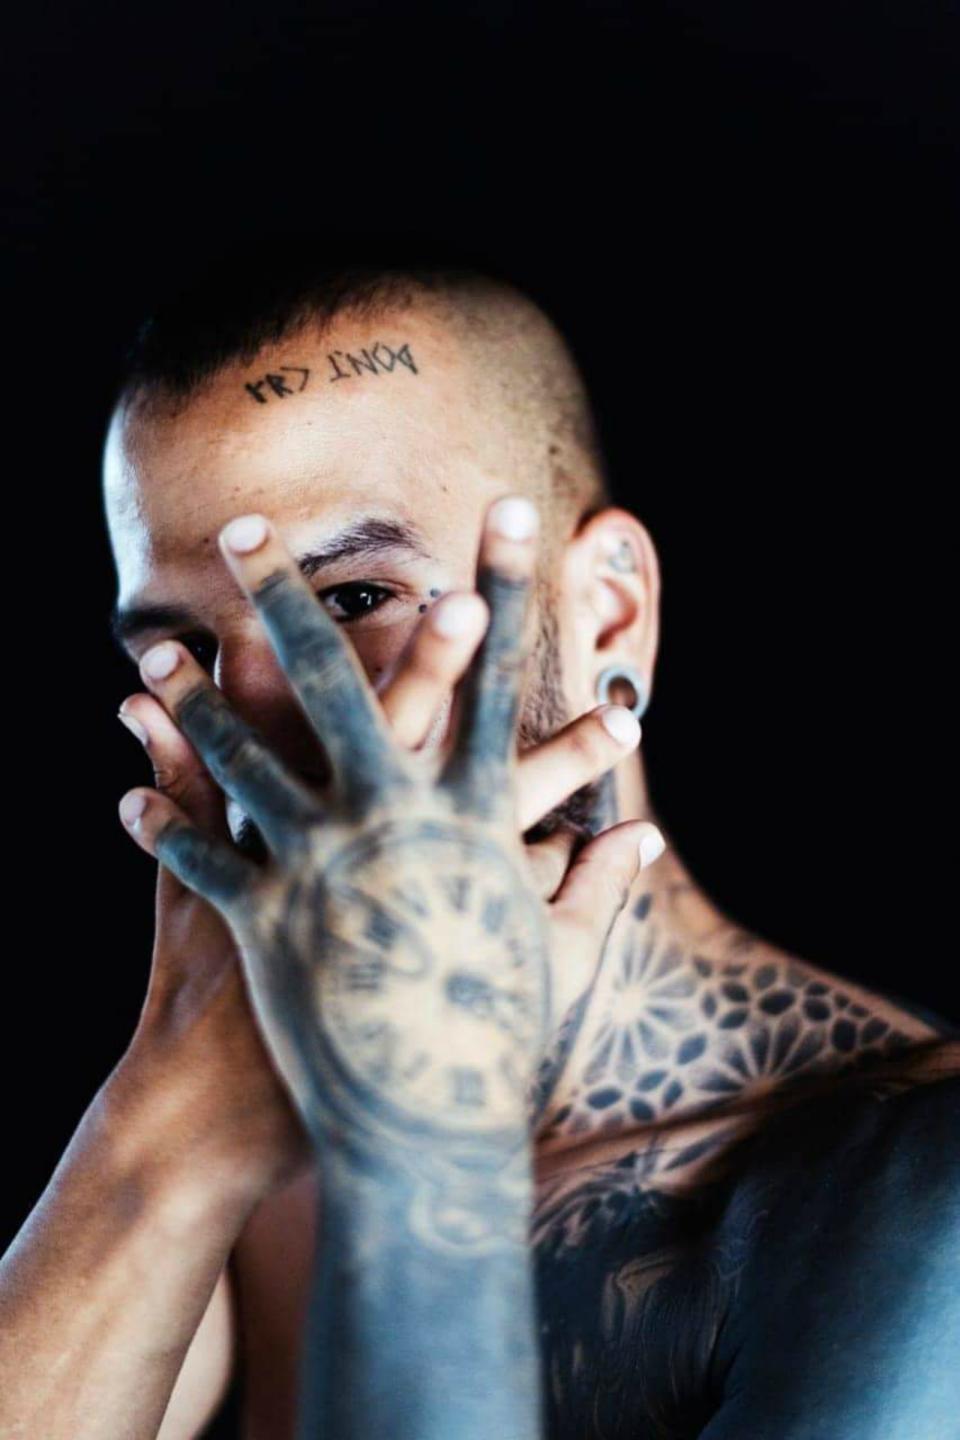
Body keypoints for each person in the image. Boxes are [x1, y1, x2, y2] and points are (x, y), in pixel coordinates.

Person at [1, 258, 956, 1440]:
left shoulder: (909, 1183)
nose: (252, 715)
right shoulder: (252, 1123)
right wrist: (172, 1117)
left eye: (351, 600)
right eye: (183, 650)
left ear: (610, 614)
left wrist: (419, 1136)